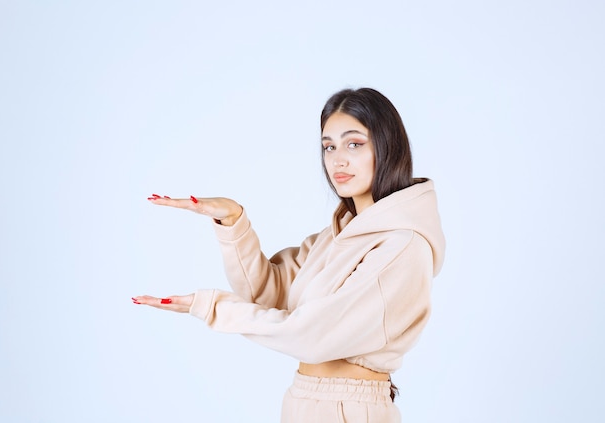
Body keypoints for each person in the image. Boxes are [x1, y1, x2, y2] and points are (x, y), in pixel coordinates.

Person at [132, 87, 445, 423]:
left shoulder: (402, 246)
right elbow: (269, 294)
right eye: (329, 146)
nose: (338, 159)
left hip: (351, 411)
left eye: (354, 144)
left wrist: (211, 308)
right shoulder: (333, 237)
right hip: (302, 400)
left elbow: (312, 336)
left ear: (387, 147)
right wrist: (234, 224)